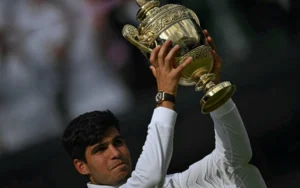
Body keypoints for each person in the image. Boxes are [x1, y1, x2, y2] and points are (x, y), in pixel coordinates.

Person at [62, 30, 267, 187]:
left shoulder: (163, 184)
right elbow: (148, 178)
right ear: (82, 166)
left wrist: (213, 89)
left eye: (117, 142)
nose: (115, 153)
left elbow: (234, 159)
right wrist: (165, 96)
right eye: (100, 150)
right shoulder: (148, 180)